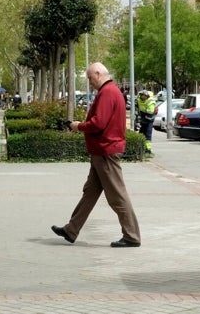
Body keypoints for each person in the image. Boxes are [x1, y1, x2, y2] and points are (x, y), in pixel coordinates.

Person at [51, 62, 141, 248]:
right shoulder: (111, 91)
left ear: (99, 74)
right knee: (89, 193)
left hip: (106, 151)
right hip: (102, 152)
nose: (90, 83)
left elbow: (98, 123)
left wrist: (78, 126)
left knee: (117, 196)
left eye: (90, 78)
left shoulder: (107, 92)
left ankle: (132, 236)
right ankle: (71, 229)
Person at [137, 90, 157, 155]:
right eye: (142, 96)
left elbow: (150, 114)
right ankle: (140, 148)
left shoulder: (150, 101)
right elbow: (138, 111)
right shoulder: (139, 100)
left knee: (148, 134)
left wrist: (143, 121)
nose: (143, 97)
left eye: (144, 96)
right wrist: (138, 120)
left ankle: (148, 149)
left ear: (146, 96)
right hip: (143, 118)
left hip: (149, 119)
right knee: (141, 134)